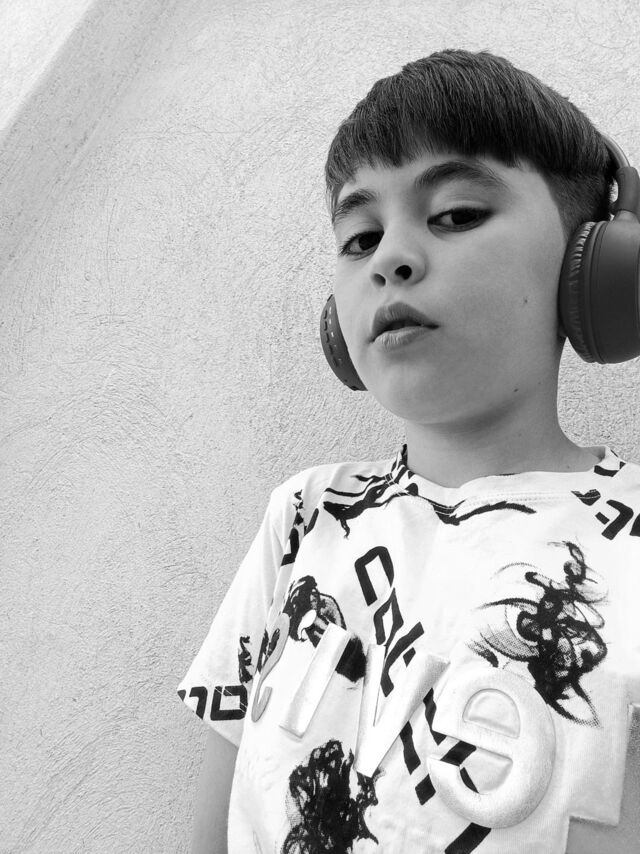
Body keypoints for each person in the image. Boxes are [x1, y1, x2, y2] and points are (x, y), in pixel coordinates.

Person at [178, 49, 640, 854]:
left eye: (456, 214)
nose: (391, 256)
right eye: (360, 237)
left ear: (593, 268)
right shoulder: (304, 517)